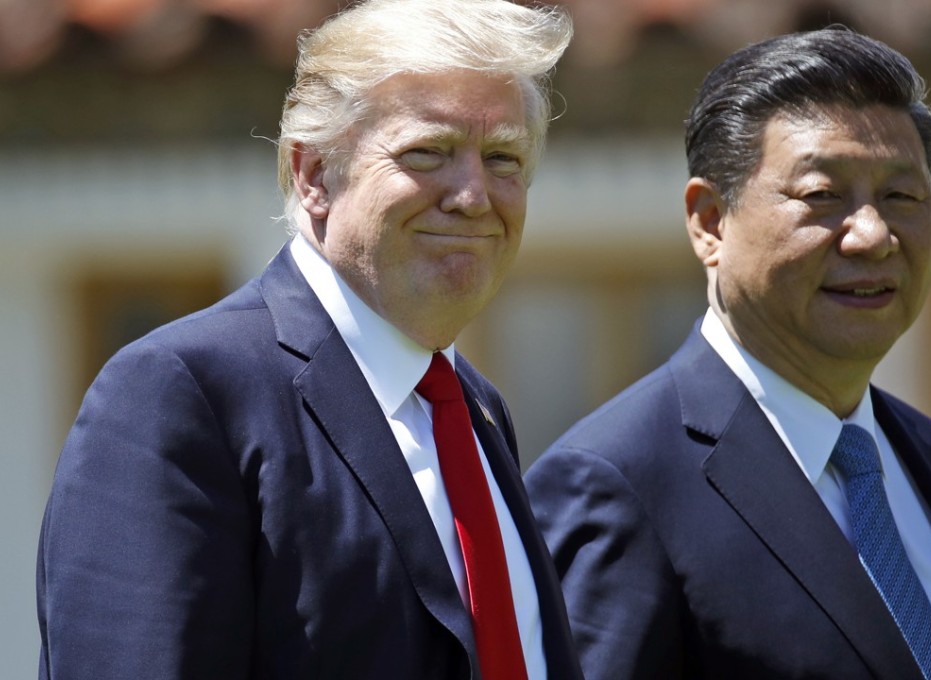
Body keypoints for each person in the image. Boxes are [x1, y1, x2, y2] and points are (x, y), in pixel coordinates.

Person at [36, 1, 581, 678]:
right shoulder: (182, 393)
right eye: (427, 152)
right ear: (314, 174)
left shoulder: (473, 409)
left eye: (503, 157)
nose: (473, 195)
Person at [525, 26, 931, 680]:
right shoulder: (617, 483)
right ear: (709, 222)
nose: (872, 234)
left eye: (902, 197)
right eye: (822, 196)